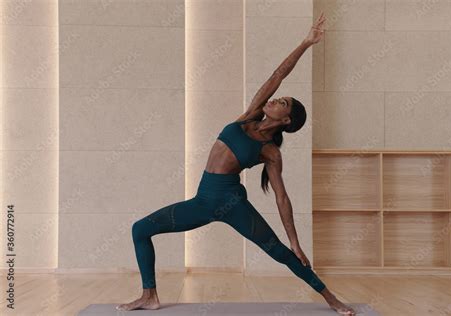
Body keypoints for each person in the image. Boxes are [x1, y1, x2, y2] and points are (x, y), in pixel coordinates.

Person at [117, 12, 356, 316]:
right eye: (279, 98)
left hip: (232, 204)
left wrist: (295, 242)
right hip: (202, 202)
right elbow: (277, 75)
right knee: (140, 229)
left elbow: (282, 196)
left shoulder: (269, 151)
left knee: (281, 253)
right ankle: (149, 295)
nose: (275, 99)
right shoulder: (248, 117)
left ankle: (332, 300)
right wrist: (306, 42)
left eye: (282, 103)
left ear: (285, 121)